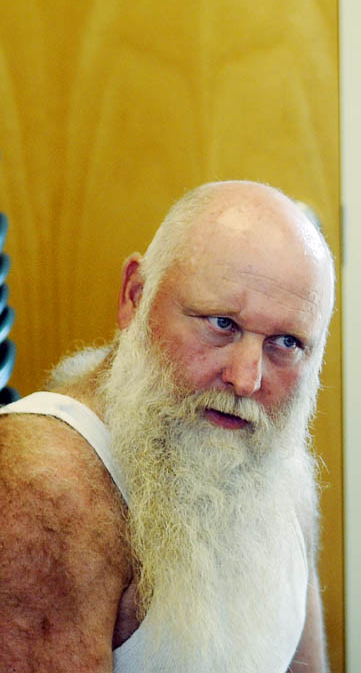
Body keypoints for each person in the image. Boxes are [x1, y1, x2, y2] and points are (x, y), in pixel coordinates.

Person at [0, 180, 334, 672]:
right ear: (134, 296)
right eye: (222, 324)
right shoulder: (45, 482)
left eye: (285, 342)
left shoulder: (277, 463)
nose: (246, 379)